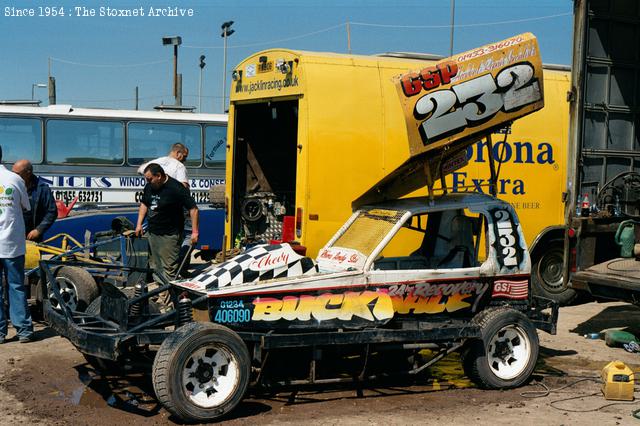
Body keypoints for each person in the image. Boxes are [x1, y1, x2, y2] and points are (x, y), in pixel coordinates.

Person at [135, 163, 199, 281]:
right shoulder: (149, 187)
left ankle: (169, 298)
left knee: (168, 269)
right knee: (155, 266)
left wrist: (194, 232)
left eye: (150, 179)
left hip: (170, 235)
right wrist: (139, 224)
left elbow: (193, 209)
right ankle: (162, 295)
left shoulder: (176, 188)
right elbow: (144, 204)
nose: (148, 182)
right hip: (153, 232)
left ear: (158, 176)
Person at [0, 147, 34, 343]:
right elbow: (25, 207)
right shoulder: (15, 179)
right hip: (12, 244)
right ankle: (24, 331)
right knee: (16, 287)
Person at [12, 159, 57, 242]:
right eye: (12, 173)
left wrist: (39, 230)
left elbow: (52, 212)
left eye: (17, 174)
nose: (13, 176)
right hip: (12, 235)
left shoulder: (42, 189)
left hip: (32, 238)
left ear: (28, 173)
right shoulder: (9, 186)